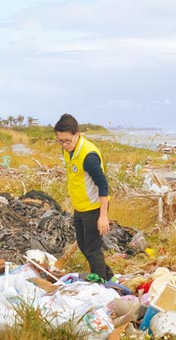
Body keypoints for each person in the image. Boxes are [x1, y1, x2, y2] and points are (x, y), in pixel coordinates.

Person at [54, 113, 114, 281]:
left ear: (77, 135)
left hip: (94, 207)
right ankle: (109, 277)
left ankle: (101, 286)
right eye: (60, 140)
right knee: (83, 245)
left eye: (67, 141)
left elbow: (103, 185)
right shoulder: (68, 150)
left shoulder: (89, 156)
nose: (64, 145)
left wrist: (103, 216)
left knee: (93, 249)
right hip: (80, 206)